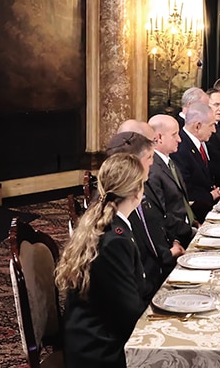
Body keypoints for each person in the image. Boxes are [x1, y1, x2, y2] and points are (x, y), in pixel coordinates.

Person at [57, 153, 149, 367]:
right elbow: (128, 315)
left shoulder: (107, 223)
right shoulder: (115, 240)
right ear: (136, 192)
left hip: (99, 334)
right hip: (101, 349)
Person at [106, 129, 182, 298]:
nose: (152, 163)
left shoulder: (131, 199)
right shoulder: (116, 216)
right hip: (142, 294)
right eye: (149, 158)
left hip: (152, 278)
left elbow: (156, 228)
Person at [146, 114, 196, 247]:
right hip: (176, 238)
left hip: (188, 226)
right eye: (174, 135)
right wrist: (190, 232)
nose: (179, 139)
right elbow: (161, 215)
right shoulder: (152, 170)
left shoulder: (168, 161)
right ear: (159, 138)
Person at [172, 101, 220, 222]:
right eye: (211, 125)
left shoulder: (197, 143)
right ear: (197, 126)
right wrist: (210, 196)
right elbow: (186, 190)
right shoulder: (180, 149)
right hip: (197, 215)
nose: (214, 130)